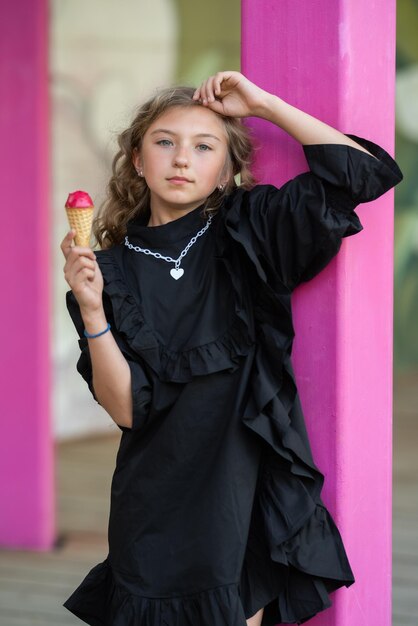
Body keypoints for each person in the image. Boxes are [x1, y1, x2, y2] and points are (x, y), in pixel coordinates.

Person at [61, 71, 402, 626]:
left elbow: (364, 173)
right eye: (164, 142)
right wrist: (94, 311)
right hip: (153, 501)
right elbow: (126, 408)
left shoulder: (251, 231)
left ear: (226, 171)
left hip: (242, 494)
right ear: (139, 161)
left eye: (204, 147)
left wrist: (265, 104)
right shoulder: (105, 273)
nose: (181, 159)